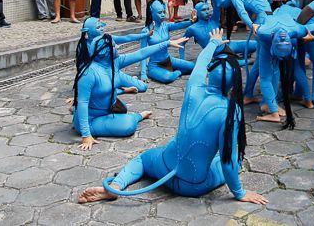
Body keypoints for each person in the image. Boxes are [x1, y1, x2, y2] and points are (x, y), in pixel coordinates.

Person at [78, 29, 268, 206]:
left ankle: (116, 186)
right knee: (235, 159)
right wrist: (240, 192)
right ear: (234, 83)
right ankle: (115, 187)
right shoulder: (231, 111)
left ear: (210, 73)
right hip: (191, 184)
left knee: (143, 158)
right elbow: (228, 162)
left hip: (165, 165)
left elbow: (201, 62)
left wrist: (213, 43)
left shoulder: (194, 87)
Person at [72, 18, 186, 149]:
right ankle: (138, 116)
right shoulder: (89, 72)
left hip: (106, 109)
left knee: (123, 108)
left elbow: (140, 53)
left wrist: (167, 43)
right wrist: (86, 135)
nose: (117, 47)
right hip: (92, 119)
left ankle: (127, 114)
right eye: (114, 46)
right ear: (104, 52)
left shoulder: (114, 62)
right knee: (128, 125)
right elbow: (83, 102)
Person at [140, 0, 196, 84]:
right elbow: (142, 54)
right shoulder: (146, 31)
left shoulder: (166, 25)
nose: (163, 15)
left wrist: (191, 21)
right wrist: (143, 74)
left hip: (169, 60)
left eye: (164, 12)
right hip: (155, 65)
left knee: (193, 66)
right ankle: (178, 72)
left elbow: (179, 25)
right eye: (159, 13)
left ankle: (173, 71)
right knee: (168, 77)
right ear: (152, 13)